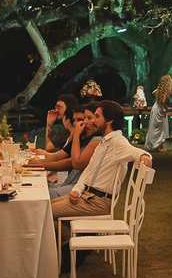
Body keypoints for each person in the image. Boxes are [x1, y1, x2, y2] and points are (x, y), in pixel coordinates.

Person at [50, 100, 152, 243]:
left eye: (96, 117)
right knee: (46, 206)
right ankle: (73, 240)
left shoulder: (117, 141)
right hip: (87, 196)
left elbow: (136, 152)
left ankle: (72, 243)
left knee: (45, 212)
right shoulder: (103, 142)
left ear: (109, 120)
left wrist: (144, 156)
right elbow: (88, 172)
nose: (92, 121)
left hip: (98, 202)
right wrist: (77, 190)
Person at [29, 105, 101, 199]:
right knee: (34, 188)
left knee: (39, 194)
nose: (77, 123)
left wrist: (41, 165)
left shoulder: (95, 140)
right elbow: (61, 155)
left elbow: (73, 163)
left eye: (82, 119)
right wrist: (39, 163)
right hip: (71, 183)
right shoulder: (81, 137)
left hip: (82, 189)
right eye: (75, 120)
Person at [144, 74, 172, 153]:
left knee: (154, 127)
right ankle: (160, 146)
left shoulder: (159, 90)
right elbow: (163, 101)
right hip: (161, 109)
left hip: (155, 107)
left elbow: (153, 92)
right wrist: (166, 108)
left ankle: (155, 145)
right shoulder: (165, 91)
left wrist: (158, 94)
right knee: (161, 128)